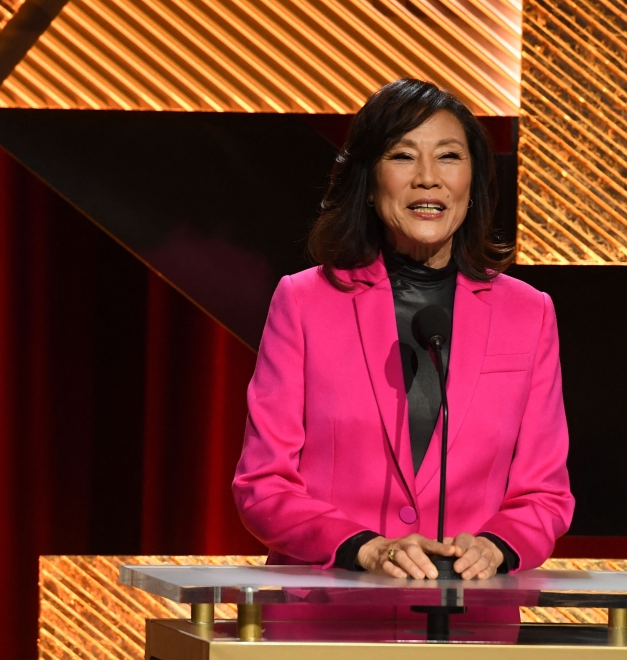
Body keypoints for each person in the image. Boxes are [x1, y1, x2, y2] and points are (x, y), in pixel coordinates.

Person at [233, 79, 574, 582]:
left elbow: (545, 494)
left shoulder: (529, 313)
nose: (428, 179)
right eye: (403, 157)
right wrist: (363, 549)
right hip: (326, 620)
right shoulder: (304, 302)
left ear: (473, 183)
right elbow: (263, 485)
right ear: (369, 184)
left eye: (449, 157)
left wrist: (497, 546)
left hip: (467, 623)